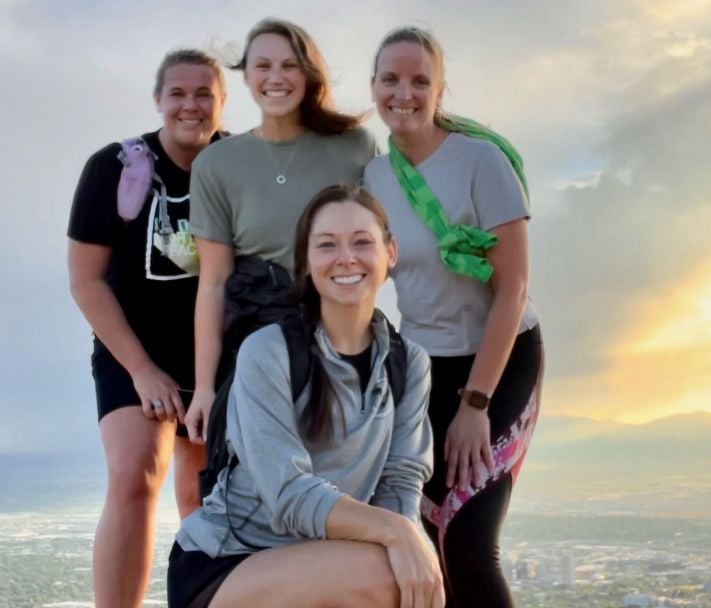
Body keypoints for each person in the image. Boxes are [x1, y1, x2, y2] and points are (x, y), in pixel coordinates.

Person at [167, 185, 443, 608]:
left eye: (362, 242)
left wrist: (404, 538)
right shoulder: (268, 352)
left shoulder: (409, 364)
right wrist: (397, 533)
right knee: (386, 572)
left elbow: (400, 481)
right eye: (327, 245)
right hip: (228, 564)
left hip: (322, 559)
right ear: (307, 261)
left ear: (391, 252)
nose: (346, 258)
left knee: (414, 576)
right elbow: (290, 495)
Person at [364, 27, 544, 607]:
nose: (404, 93)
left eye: (420, 80)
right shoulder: (374, 179)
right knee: (424, 531)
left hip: (500, 359)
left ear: (440, 90)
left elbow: (513, 288)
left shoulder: (481, 162)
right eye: (390, 79)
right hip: (424, 369)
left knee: (467, 539)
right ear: (374, 87)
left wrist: (476, 404)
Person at [67, 49, 227, 608]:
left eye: (204, 92)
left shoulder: (237, 163)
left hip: (219, 353)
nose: (191, 104)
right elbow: (86, 281)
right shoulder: (114, 167)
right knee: (136, 477)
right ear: (158, 100)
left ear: (222, 101)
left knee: (203, 494)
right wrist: (142, 371)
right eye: (178, 93)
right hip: (131, 348)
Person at [185, 19, 376, 444]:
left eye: (289, 65)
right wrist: (204, 388)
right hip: (255, 346)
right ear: (247, 75)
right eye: (263, 65)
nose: (276, 77)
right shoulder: (215, 164)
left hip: (341, 339)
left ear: (309, 75)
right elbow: (213, 282)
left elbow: (371, 254)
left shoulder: (355, 146)